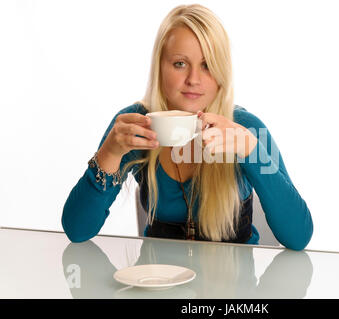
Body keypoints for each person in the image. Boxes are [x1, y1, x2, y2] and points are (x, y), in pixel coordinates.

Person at [61, 4, 313, 251]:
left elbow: (298, 237)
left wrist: (251, 150)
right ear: (160, 67)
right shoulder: (134, 123)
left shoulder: (246, 128)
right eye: (180, 63)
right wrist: (110, 153)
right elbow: (77, 230)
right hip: (159, 287)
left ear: (222, 73)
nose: (193, 79)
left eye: (207, 65)